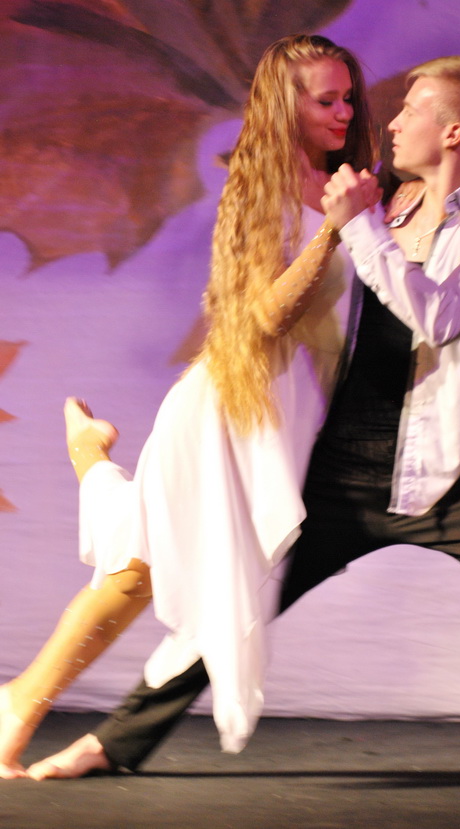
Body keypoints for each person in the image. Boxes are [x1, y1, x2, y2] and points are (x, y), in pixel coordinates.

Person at [24, 54, 460, 802]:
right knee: (237, 600)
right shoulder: (383, 204)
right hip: (340, 474)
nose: (391, 122)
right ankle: (111, 743)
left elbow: (435, 315)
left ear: (454, 131)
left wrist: (356, 225)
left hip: (448, 474)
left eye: (411, 110)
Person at [0, 33, 378, 779]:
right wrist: (335, 228)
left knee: (141, 555)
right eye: (325, 100)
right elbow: (263, 319)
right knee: (135, 571)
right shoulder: (264, 189)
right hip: (225, 415)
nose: (343, 112)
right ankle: (18, 705)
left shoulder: (344, 186)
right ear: (286, 106)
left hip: (288, 419)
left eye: (347, 97)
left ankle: (90, 454)